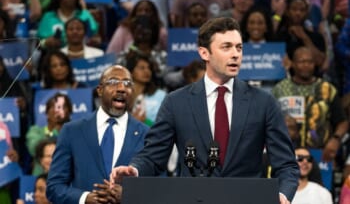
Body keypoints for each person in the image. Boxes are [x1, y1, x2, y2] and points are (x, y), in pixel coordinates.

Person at [110, 17, 299, 204]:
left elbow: (287, 165)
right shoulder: (176, 103)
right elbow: (153, 156)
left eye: (239, 47)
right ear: (204, 53)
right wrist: (134, 170)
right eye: (226, 47)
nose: (235, 54)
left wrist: (282, 195)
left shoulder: (264, 102)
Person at [46, 64, 149, 204]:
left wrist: (129, 196)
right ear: (100, 90)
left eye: (127, 84)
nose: (121, 88)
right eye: (113, 82)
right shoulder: (72, 131)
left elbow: (158, 188)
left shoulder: (147, 134)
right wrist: (84, 198)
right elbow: (54, 187)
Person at [271, 46, 349, 161]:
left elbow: (342, 121)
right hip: (287, 152)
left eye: (310, 62)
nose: (306, 65)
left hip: (321, 153)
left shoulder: (326, 89)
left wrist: (335, 140)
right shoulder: (279, 89)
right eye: (302, 62)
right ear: (292, 63)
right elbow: (270, 121)